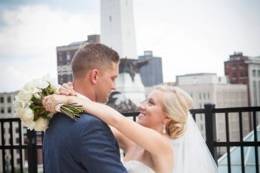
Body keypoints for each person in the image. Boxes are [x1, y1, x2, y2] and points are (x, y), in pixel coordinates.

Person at [43, 84, 218, 173]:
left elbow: (116, 119)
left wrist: (69, 101)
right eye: (145, 100)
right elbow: (100, 118)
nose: (141, 106)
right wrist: (71, 96)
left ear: (167, 117)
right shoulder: (133, 143)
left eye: (151, 103)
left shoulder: (162, 145)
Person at [43, 43, 127, 173]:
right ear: (94, 76)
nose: (114, 86)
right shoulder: (91, 126)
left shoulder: (55, 117)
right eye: (113, 78)